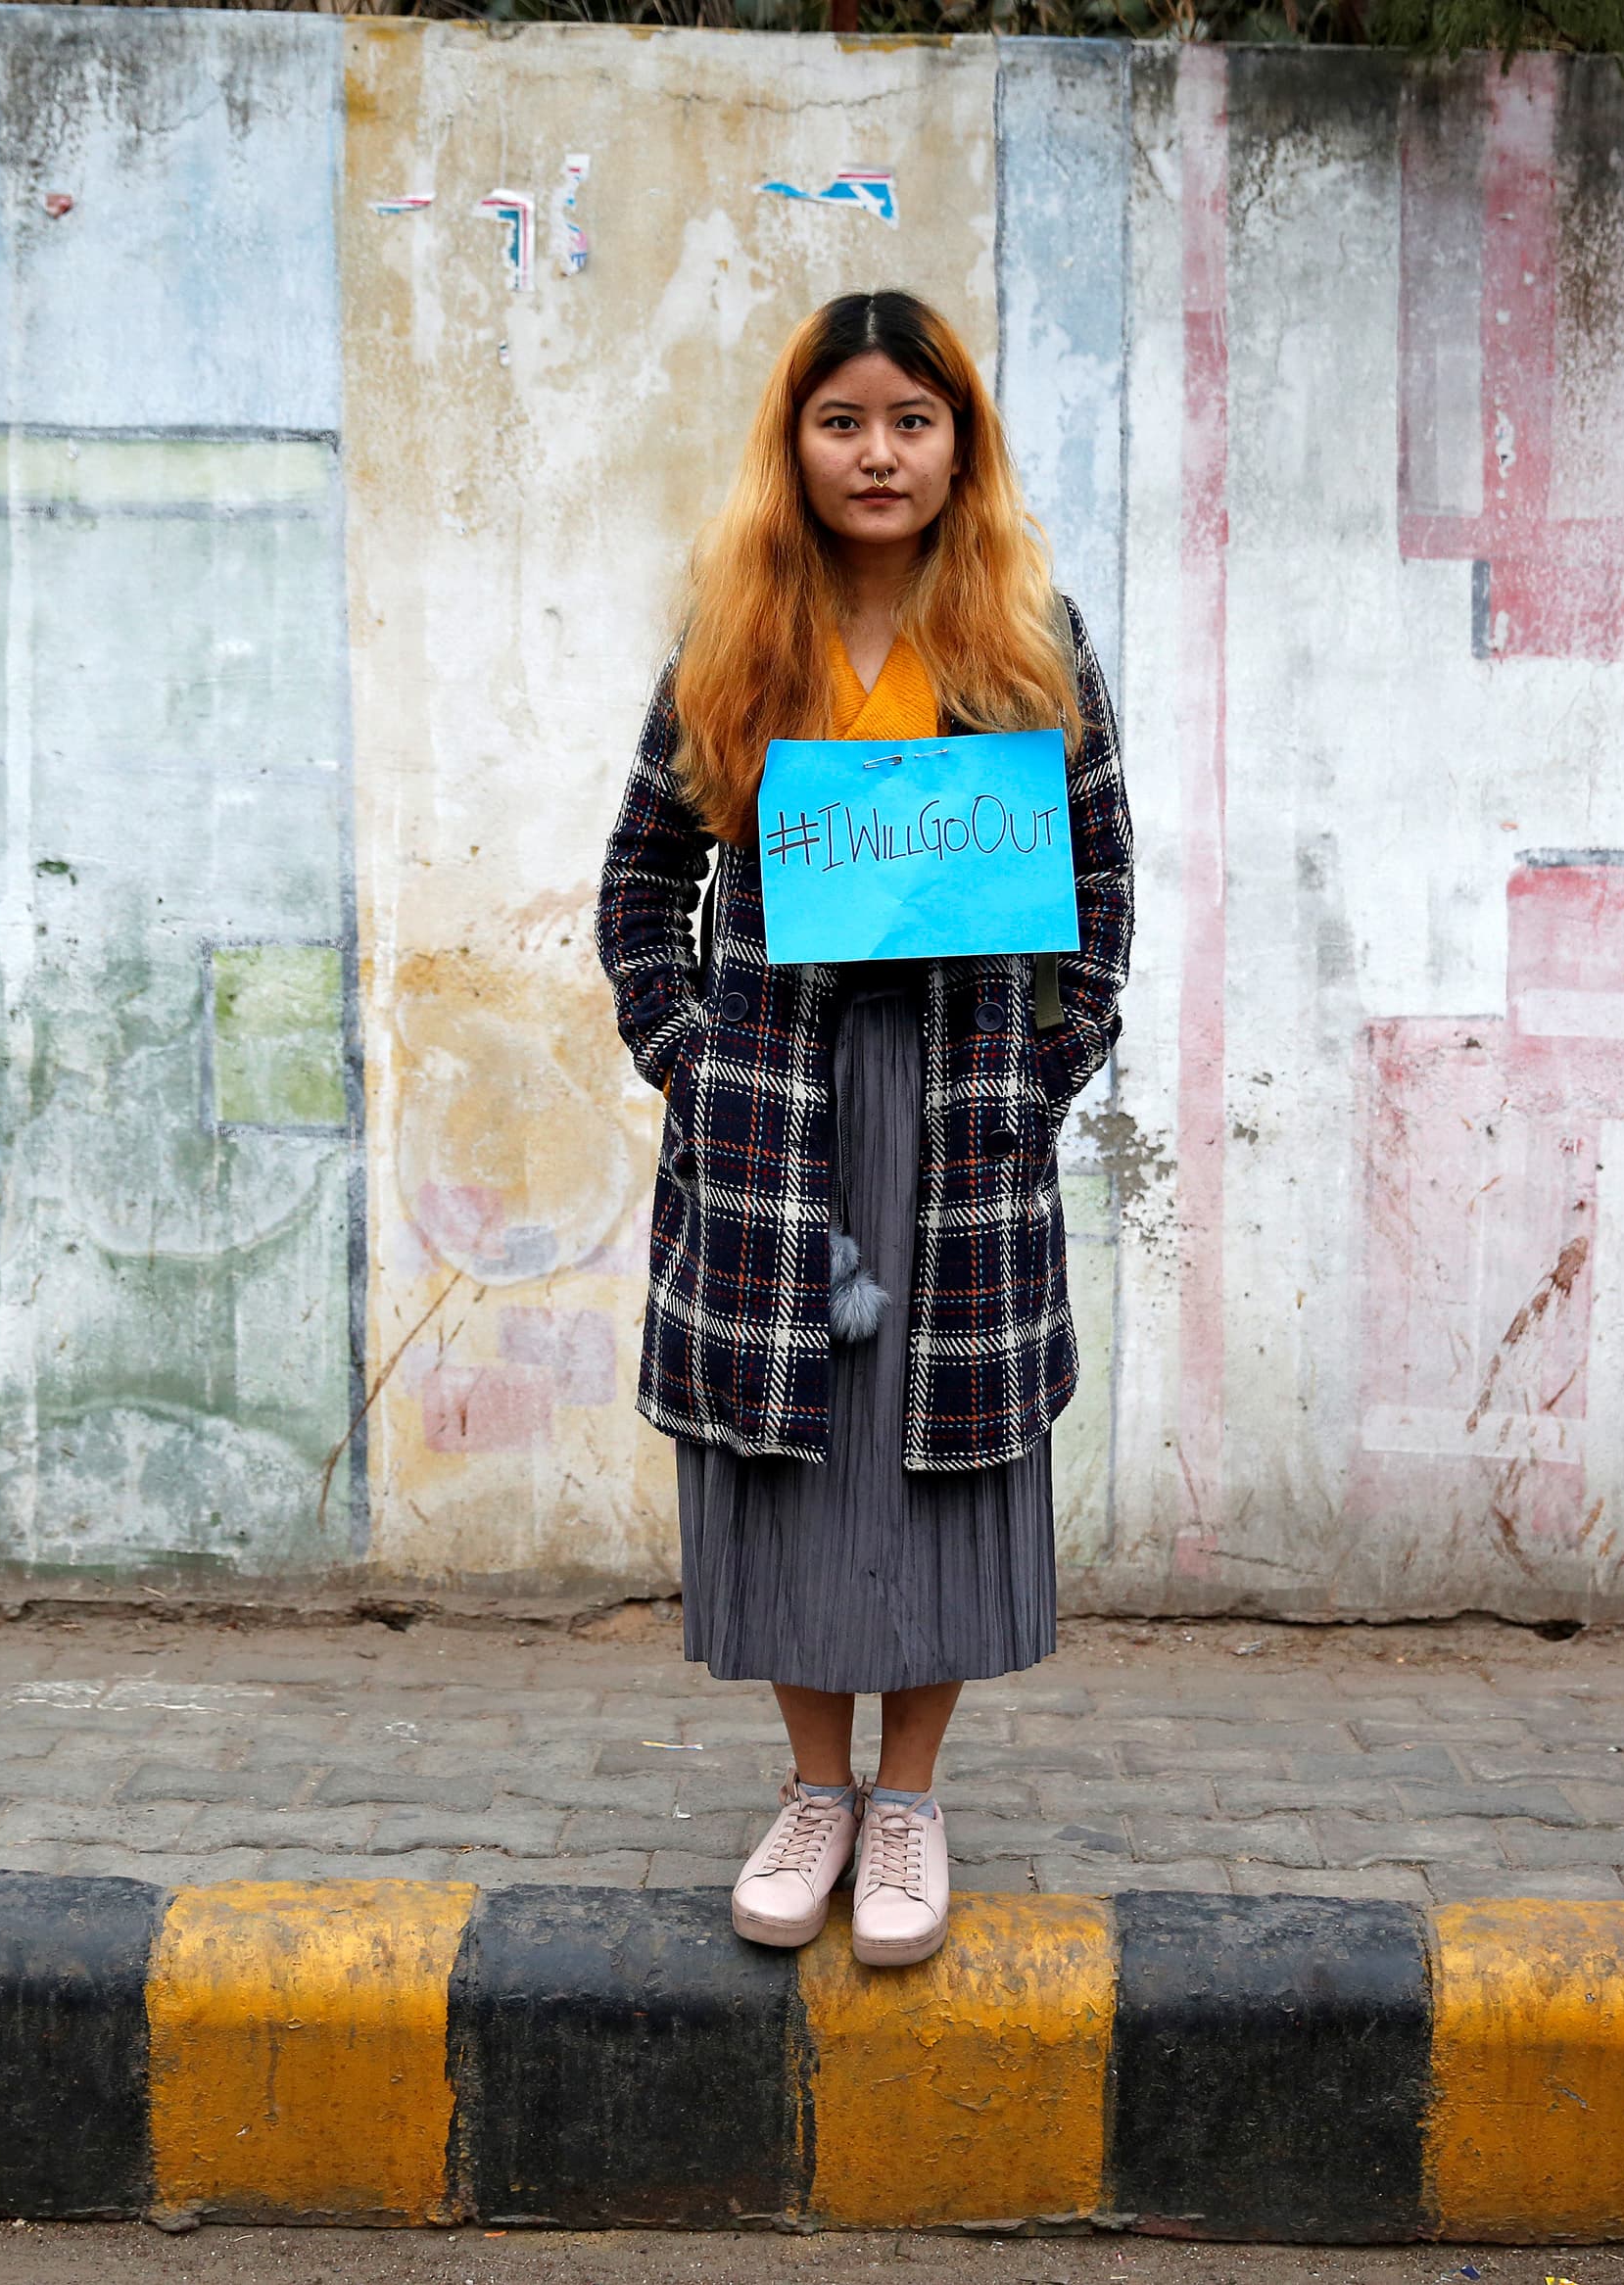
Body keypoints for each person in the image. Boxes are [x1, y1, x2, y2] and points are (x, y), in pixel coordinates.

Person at [595, 289, 1133, 1969]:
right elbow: (638, 885)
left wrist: (1047, 1076)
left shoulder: (1023, 637)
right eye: (845, 421)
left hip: (960, 1118)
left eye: (913, 419)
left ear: (958, 441)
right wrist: (692, 1054)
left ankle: (910, 1800)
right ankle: (814, 1788)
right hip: (774, 1121)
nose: (878, 452)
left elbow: (1102, 891)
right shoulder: (738, 639)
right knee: (789, 1446)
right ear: (797, 444)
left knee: (950, 1449)